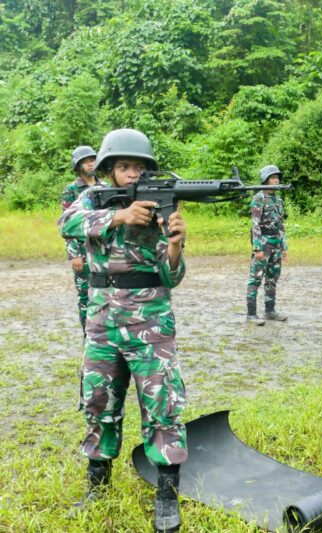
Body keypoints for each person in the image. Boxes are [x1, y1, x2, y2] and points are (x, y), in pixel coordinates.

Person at [58, 129, 187, 532]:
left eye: (138, 167)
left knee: (163, 404)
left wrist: (176, 246)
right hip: (102, 322)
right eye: (123, 167)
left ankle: (166, 495)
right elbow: (67, 223)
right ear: (109, 171)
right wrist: (120, 215)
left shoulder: (161, 203)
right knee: (97, 401)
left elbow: (172, 276)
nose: (131, 174)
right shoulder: (90, 199)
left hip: (150, 320)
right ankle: (98, 484)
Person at [60, 145, 103, 337]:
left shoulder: (105, 187)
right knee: (86, 295)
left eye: (92, 159)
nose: (90, 163)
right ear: (78, 166)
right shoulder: (71, 190)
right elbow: (67, 225)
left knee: (104, 292)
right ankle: (89, 336)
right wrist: (74, 255)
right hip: (82, 251)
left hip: (102, 249)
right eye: (85, 161)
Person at [246, 164, 288, 323]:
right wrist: (257, 248)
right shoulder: (258, 198)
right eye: (272, 177)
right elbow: (255, 224)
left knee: (272, 279)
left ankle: (270, 311)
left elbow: (281, 223)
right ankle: (251, 314)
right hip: (263, 243)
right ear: (265, 180)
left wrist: (284, 245)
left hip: (276, 243)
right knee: (256, 278)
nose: (276, 180)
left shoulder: (278, 200)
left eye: (277, 177)